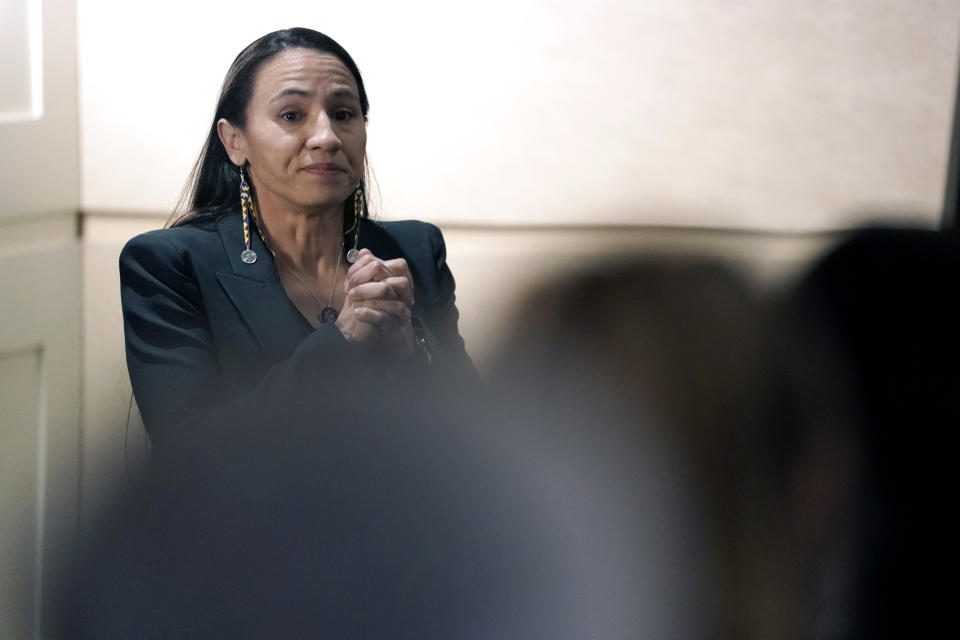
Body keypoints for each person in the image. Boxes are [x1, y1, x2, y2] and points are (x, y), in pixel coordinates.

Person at [120, 28, 475, 447]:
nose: (326, 137)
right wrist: (339, 342)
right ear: (234, 141)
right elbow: (186, 449)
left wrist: (412, 349)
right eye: (292, 115)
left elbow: (482, 431)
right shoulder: (169, 263)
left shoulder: (414, 250)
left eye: (344, 114)